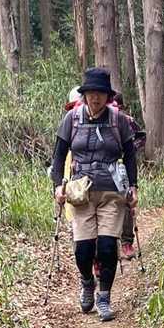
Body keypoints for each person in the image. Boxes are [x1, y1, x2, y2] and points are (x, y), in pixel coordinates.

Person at [50, 68, 139, 321]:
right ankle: (87, 282)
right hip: (81, 192)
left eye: (100, 93)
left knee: (108, 247)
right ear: (85, 95)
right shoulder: (72, 119)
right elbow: (59, 155)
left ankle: (104, 297)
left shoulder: (118, 120)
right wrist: (58, 185)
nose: (95, 98)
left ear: (108, 96)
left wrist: (133, 186)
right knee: (84, 249)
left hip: (112, 191)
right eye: (91, 93)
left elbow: (130, 155)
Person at [62, 83, 145, 259]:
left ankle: (125, 241)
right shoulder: (73, 119)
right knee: (82, 226)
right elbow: (61, 152)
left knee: (124, 207)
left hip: (114, 176)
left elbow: (136, 142)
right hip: (80, 176)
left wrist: (130, 176)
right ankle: (89, 254)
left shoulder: (121, 119)